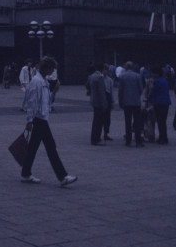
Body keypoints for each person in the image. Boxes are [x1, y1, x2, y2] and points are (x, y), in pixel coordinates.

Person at [20, 56, 77, 187]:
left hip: (42, 117)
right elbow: (32, 102)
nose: (53, 72)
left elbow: (47, 101)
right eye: (52, 69)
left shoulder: (43, 81)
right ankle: (62, 176)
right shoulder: (37, 82)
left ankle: (26, 173)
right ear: (47, 68)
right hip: (39, 119)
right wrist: (29, 120)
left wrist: (54, 91)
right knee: (51, 147)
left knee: (33, 148)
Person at [118, 61, 145, 147]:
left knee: (128, 121)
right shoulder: (137, 76)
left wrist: (120, 101)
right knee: (137, 121)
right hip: (136, 102)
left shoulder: (122, 76)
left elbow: (120, 91)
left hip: (126, 102)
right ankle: (138, 141)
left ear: (126, 67)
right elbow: (141, 89)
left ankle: (128, 140)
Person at [147, 67, 172, 144]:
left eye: (152, 73)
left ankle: (162, 138)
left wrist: (148, 98)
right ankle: (164, 137)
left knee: (160, 121)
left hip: (159, 103)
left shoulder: (157, 81)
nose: (152, 74)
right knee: (163, 121)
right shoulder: (165, 81)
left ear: (156, 74)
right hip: (166, 102)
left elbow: (154, 92)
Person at [87, 64, 109, 145]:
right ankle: (96, 139)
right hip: (99, 102)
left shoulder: (92, 76)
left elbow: (88, 86)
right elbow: (101, 92)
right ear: (102, 69)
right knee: (99, 121)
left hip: (94, 100)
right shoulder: (100, 77)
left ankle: (94, 138)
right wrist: (104, 104)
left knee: (95, 120)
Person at [101, 64, 114, 140]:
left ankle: (106, 133)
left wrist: (112, 101)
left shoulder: (109, 80)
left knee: (107, 117)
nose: (106, 71)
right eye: (105, 70)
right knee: (101, 117)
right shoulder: (100, 78)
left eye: (107, 70)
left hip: (108, 97)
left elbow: (111, 91)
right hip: (102, 97)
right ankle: (100, 132)